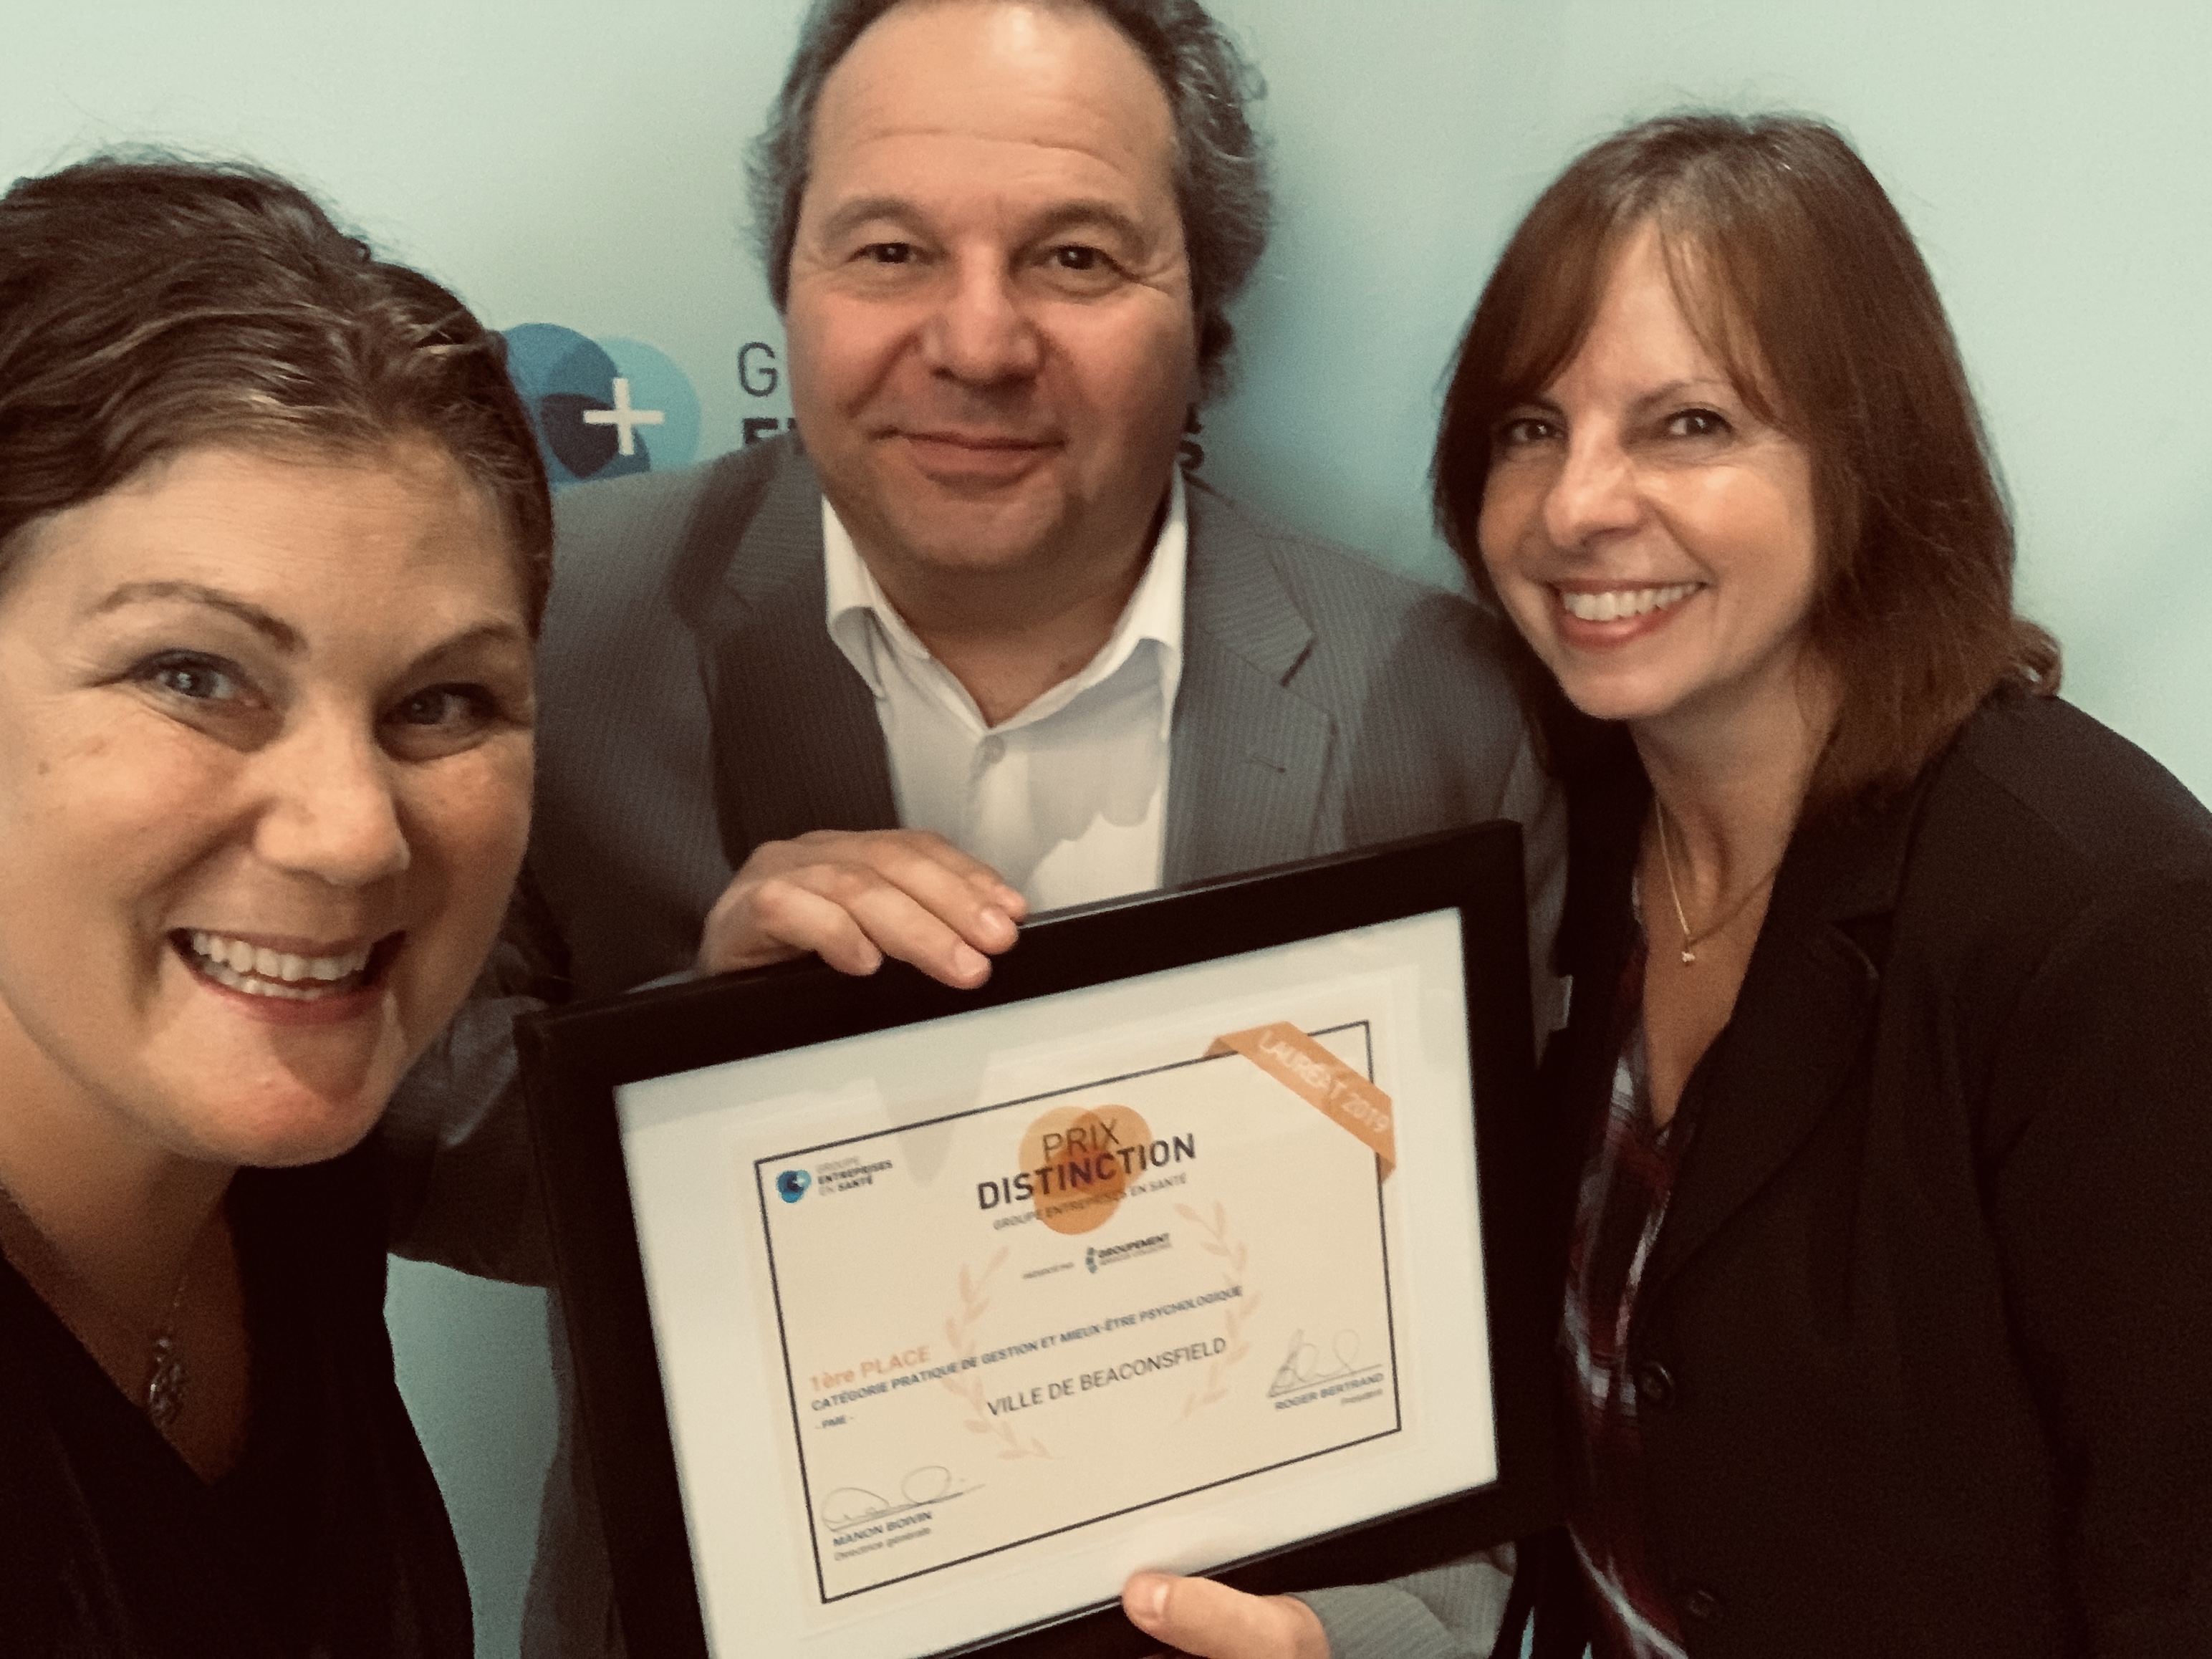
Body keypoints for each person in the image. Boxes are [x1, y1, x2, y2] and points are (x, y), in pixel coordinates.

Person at [382, 4, 1561, 1654]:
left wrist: (1357, 1643)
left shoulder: (1441, 709)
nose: (979, 340)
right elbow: (393, 1116)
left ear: (1201, 310)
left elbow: (1489, 1308)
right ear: (788, 279)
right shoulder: (550, 638)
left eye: (1075, 258)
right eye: (889, 251)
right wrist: (685, 1076)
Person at [1122, 113, 2212, 1658]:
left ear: (1867, 457)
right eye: (1530, 426)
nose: (1577, 505)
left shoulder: (2103, 920)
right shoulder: (1550, 821)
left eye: (1689, 424)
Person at [0, 155, 550, 1655]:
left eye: (443, 700)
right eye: (193, 675)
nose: (352, 834)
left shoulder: (285, 1163)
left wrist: (754, 1068)